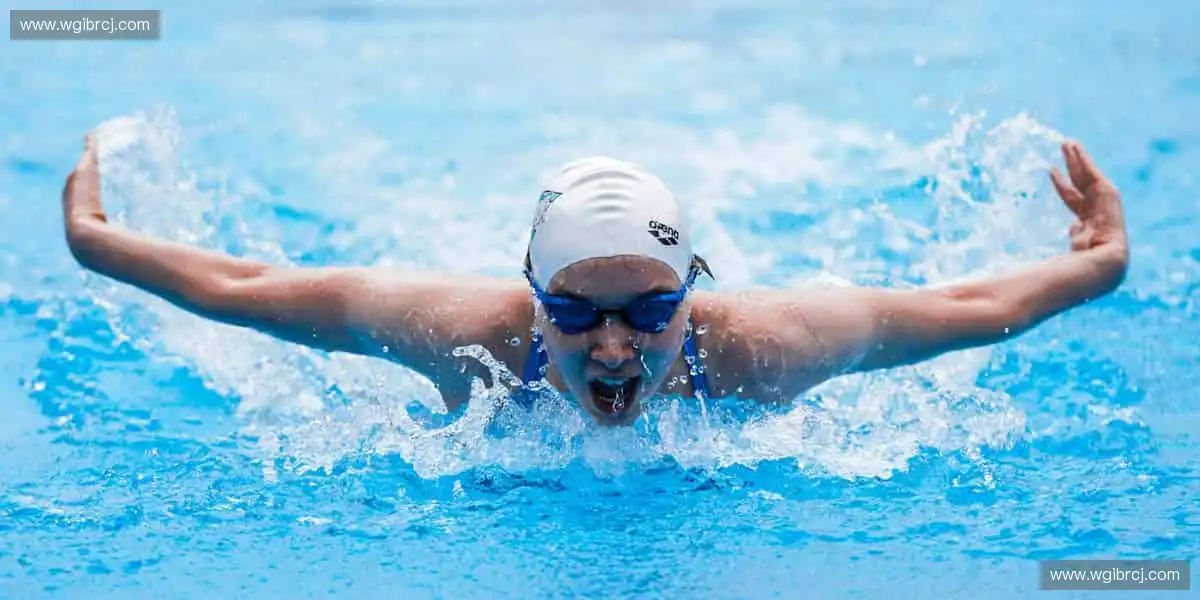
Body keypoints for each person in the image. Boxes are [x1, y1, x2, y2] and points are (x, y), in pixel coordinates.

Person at [61, 134, 1130, 426]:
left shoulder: (765, 347)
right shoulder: (463, 334)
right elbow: (250, 286)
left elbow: (968, 310)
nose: (614, 347)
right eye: (575, 312)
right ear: (531, 300)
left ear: (692, 292)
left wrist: (1099, 267)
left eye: (649, 311)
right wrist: (100, 245)